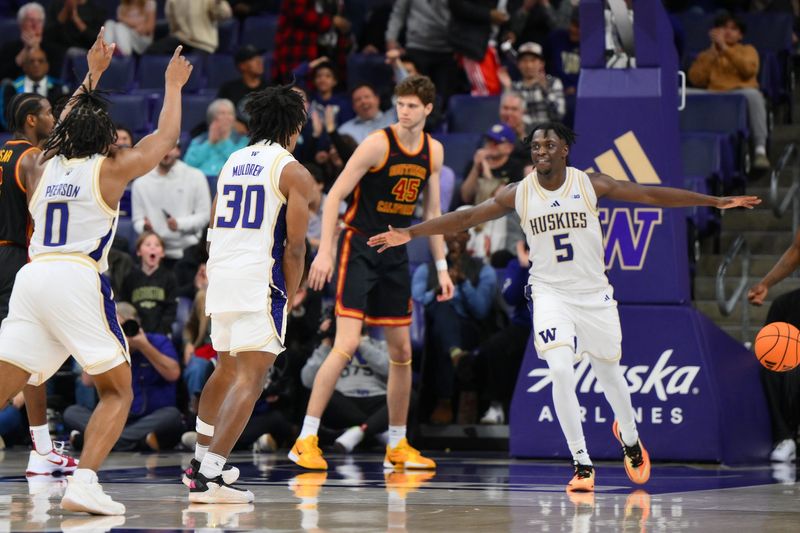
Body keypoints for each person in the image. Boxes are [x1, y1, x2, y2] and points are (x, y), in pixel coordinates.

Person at [368, 122, 760, 492]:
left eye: (549, 145)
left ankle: (630, 435)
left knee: (610, 376)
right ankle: (581, 462)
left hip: (593, 295)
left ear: (565, 150)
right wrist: (410, 232)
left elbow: (650, 194)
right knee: (559, 370)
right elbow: (467, 216)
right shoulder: (518, 191)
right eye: (536, 145)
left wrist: (714, 201)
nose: (541, 151)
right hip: (550, 293)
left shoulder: (589, 183)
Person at [0, 31, 192, 514]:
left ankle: (79, 477)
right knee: (117, 390)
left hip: (32, 275)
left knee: (6, 380)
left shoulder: (41, 165)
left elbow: (65, 122)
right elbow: (166, 138)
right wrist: (171, 86)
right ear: (104, 136)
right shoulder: (111, 170)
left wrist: (93, 76)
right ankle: (84, 483)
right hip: (74, 277)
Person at [289, 74, 453, 472]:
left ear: (428, 109)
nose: (405, 110)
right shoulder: (378, 143)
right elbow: (334, 198)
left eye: (413, 105)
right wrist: (324, 252)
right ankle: (305, 439)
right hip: (359, 246)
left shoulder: (433, 151)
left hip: (395, 250)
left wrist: (442, 266)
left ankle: (397, 444)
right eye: (401, 103)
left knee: (401, 353)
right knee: (344, 344)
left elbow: (432, 215)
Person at [183, 83, 315, 504]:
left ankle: (201, 461)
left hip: (221, 274)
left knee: (225, 370)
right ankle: (211, 476)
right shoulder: (293, 171)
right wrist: (290, 295)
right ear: (293, 125)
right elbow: (295, 246)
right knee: (251, 379)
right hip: (261, 278)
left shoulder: (232, 161)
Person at [0, 92, 79, 477]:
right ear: (31, 120)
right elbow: (40, 211)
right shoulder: (30, 158)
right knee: (21, 357)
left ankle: (43, 450)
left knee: (30, 357)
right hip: (14, 257)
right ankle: (42, 449)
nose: (52, 118)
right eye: (47, 112)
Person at [64, 302, 182, 452]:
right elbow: (87, 381)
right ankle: (135, 443)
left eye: (124, 327)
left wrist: (144, 347)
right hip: (113, 419)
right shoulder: (107, 349)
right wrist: (108, 346)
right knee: (72, 413)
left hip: (149, 418)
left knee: (172, 416)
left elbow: (173, 374)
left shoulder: (158, 342)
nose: (121, 334)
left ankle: (102, 441)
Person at [688, 11, 770, 170]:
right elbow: (695, 79)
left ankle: (760, 149)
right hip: (714, 94)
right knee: (679, 93)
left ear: (740, 35)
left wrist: (725, 48)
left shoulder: (748, 50)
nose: (727, 31)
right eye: (724, 27)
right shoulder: (708, 54)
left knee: (754, 95)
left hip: (740, 93)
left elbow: (748, 70)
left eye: (733, 29)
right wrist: (713, 53)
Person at [747, 230, 800, 462]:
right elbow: (796, 249)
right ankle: (784, 438)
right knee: (773, 365)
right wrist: (765, 283)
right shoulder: (785, 304)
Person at [131, 141, 211, 266]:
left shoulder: (196, 176)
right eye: (161, 147)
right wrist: (144, 227)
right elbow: (137, 220)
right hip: (155, 253)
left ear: (178, 150)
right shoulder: (140, 183)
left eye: (169, 147)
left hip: (189, 250)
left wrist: (179, 224)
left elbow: (205, 216)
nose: (165, 152)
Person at [120, 231, 177, 335]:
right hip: (136, 334)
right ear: (138, 251)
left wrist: (162, 330)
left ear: (162, 253)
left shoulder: (169, 278)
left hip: (161, 334)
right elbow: (125, 306)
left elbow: (171, 309)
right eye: (148, 244)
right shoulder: (130, 278)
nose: (152, 248)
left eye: (157, 245)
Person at [1, 47, 70, 130]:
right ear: (24, 66)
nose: (36, 64)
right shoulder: (12, 88)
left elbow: (63, 116)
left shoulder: (60, 88)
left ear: (47, 66)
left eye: (40, 61)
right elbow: (7, 118)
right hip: (20, 135)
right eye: (31, 61)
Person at [500, 41, 566, 128]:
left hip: (547, 134)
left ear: (541, 63)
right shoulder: (514, 87)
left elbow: (559, 115)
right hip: (522, 136)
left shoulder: (553, 83)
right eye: (524, 61)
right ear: (518, 64)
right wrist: (508, 89)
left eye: (533, 60)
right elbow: (506, 119)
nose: (529, 65)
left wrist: (545, 89)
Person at [184, 98, 248, 177]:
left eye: (230, 113)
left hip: (228, 181)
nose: (226, 117)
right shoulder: (199, 140)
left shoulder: (242, 140)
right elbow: (189, 164)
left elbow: (241, 165)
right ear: (212, 118)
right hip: (201, 181)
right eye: (222, 113)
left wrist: (224, 141)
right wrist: (210, 143)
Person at [0, 3, 61, 84]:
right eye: (31, 20)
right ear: (21, 24)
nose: (35, 25)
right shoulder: (9, 48)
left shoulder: (52, 48)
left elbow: (57, 78)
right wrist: (26, 50)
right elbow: (3, 77)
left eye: (39, 21)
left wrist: (36, 49)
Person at [146, 0, 232, 55]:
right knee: (152, 51)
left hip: (203, 43)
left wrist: (218, 3)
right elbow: (171, 19)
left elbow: (225, 15)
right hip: (181, 38)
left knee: (191, 65)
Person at [217, 45, 269, 133]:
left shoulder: (272, 89)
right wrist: (232, 123)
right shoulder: (229, 89)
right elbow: (217, 113)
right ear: (242, 66)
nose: (259, 61)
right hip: (236, 139)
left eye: (259, 57)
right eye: (252, 58)